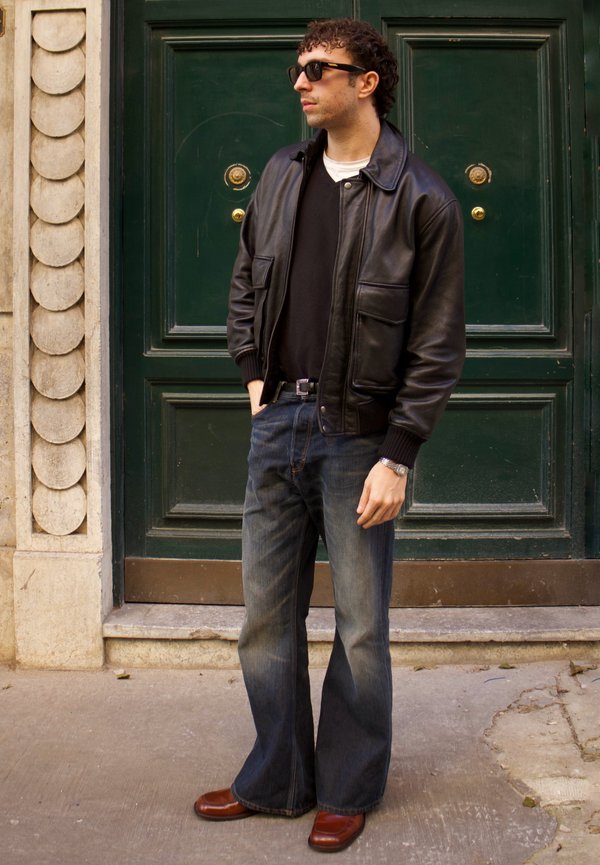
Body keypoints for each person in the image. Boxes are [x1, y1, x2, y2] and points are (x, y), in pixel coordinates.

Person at [194, 18, 465, 853]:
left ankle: (347, 787)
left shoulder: (421, 197)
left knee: (359, 627)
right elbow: (247, 279)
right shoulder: (283, 172)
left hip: (359, 437)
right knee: (264, 620)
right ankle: (276, 777)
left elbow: (437, 342)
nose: (302, 82)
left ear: (366, 81)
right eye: (298, 69)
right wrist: (254, 377)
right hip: (277, 421)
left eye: (319, 69)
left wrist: (399, 454)